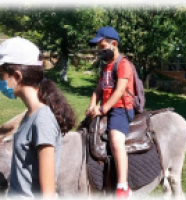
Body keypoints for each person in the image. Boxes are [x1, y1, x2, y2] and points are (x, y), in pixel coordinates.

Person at [0, 37, 76, 199]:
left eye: (1, 76)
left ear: (17, 76)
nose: (0, 81)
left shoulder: (42, 120)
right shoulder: (30, 114)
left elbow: (47, 193)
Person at [86, 26, 134, 199]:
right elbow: (98, 89)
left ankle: (122, 186)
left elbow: (120, 90)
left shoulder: (123, 64)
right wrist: (92, 105)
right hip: (106, 108)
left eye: (101, 46)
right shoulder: (106, 67)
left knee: (115, 139)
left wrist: (103, 109)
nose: (99, 51)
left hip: (120, 109)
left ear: (113, 44)